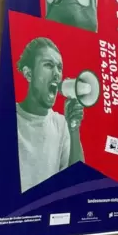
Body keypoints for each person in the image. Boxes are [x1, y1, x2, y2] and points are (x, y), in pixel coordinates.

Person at [16, 37, 85, 192]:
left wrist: (74, 130)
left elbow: (77, 179)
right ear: (28, 74)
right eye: (48, 65)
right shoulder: (10, 118)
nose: (57, 74)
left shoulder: (62, 124)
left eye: (59, 68)